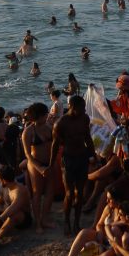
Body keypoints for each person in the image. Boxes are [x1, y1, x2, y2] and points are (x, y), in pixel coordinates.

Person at [51, 95, 96, 236]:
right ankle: (67, 221)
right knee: (69, 193)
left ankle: (76, 222)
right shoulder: (60, 123)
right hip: (68, 159)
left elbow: (88, 138)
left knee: (80, 193)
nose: (84, 111)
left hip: (82, 157)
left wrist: (93, 155)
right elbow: (55, 145)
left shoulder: (84, 118)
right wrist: (51, 164)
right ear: (72, 107)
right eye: (82, 108)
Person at [0, 165, 33, 255]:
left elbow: (14, 207)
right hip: (6, 215)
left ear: (4, 180)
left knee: (13, 215)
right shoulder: (4, 188)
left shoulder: (20, 190)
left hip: (23, 219)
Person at [22, 102, 55, 231]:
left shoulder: (49, 126)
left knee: (50, 192)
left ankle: (44, 219)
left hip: (50, 162)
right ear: (38, 116)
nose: (47, 115)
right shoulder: (28, 132)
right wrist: (39, 168)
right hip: (35, 163)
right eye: (45, 114)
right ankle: (38, 223)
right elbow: (27, 154)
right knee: (37, 193)